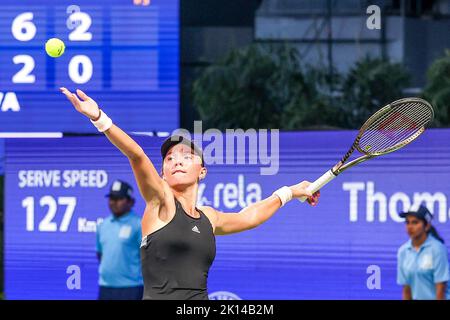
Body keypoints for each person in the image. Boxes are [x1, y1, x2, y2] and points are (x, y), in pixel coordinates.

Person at [60, 87, 320, 300]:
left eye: (187, 156)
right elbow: (137, 155)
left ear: (202, 171)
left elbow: (248, 217)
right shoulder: (160, 202)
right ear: (162, 173)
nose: (177, 161)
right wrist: (99, 118)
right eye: (170, 158)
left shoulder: (208, 217)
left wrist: (289, 192)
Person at [96, 179, 144, 300]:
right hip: (105, 287)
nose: (114, 202)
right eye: (112, 198)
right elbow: (100, 254)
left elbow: (147, 257)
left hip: (131, 288)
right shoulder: (103, 225)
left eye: (119, 199)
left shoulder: (139, 225)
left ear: (130, 202)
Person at [397, 205, 450, 300]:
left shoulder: (438, 249)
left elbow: (441, 288)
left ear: (427, 226)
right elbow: (406, 289)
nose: (410, 227)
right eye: (407, 222)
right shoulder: (403, 251)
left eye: (415, 222)